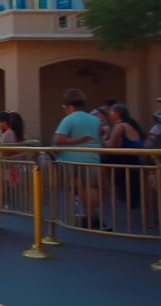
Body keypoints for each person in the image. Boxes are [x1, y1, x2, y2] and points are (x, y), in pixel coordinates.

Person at [52, 89, 104, 230]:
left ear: (68, 105)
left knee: (81, 188)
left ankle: (88, 216)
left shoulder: (69, 119)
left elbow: (58, 139)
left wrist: (77, 140)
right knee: (91, 187)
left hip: (74, 160)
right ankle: (92, 215)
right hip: (93, 158)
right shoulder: (95, 120)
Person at [103, 104, 144, 212]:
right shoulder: (128, 124)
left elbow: (111, 145)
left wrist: (98, 140)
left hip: (125, 160)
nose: (109, 114)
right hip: (131, 160)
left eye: (111, 111)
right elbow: (118, 143)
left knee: (128, 188)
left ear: (118, 113)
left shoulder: (120, 126)